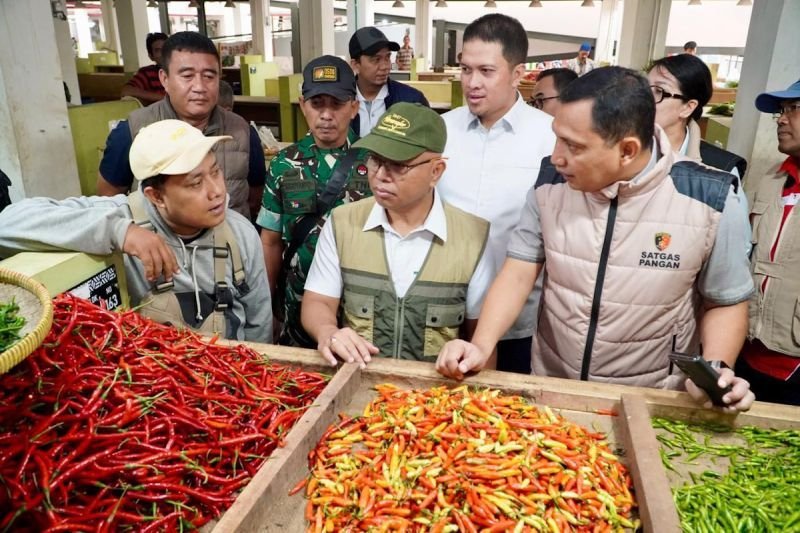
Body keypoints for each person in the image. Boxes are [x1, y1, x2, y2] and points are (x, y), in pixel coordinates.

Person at [437, 67, 755, 413]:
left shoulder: (711, 198)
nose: (557, 156)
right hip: (554, 391)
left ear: (627, 150)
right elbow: (519, 270)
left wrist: (715, 370)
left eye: (573, 146)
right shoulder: (550, 184)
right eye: (557, 136)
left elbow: (725, 300)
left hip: (650, 399)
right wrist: (482, 345)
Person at [0, 119, 271, 342]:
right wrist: (120, 232)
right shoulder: (122, 215)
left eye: (215, 172)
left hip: (234, 377)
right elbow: (8, 222)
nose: (217, 191)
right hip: (156, 381)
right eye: (195, 183)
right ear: (156, 196)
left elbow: (259, 322)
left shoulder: (240, 234)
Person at [301, 102, 493, 366]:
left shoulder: (471, 237)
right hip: (357, 388)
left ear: (436, 171)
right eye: (375, 161)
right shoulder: (343, 223)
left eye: (398, 166)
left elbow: (481, 338)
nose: (380, 175)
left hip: (434, 399)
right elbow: (318, 301)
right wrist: (328, 332)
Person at [438, 13, 555, 375]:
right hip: (443, 315)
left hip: (519, 322)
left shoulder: (550, 137)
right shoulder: (441, 130)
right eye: (465, 69)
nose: (472, 83)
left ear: (518, 73)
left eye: (486, 71)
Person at [258, 55, 370, 348]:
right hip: (295, 302)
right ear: (302, 105)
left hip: (358, 308)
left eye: (337, 104)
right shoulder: (284, 164)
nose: (326, 114)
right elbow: (270, 240)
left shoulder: (373, 163)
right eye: (317, 103)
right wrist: (267, 304)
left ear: (354, 107)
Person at [97, 31, 266, 222]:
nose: (199, 87)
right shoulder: (133, 130)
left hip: (229, 245)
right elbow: (108, 198)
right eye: (187, 76)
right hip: (161, 248)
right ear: (164, 79)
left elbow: (255, 197)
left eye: (209, 76)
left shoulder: (242, 131)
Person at [737, 80, 800, 405]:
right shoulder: (771, 181)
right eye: (781, 110)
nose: (781, 119)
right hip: (748, 358)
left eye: (794, 109)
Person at [647, 54, 747, 177]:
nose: (644, 97)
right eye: (644, 87)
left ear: (688, 107)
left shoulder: (720, 171)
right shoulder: (621, 151)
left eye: (659, 91)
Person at [349, 26, 429, 137]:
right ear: (355, 65)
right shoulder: (339, 103)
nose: (385, 66)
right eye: (376, 59)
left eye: (387, 58)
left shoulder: (412, 101)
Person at [120, 32, 168, 105]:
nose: (163, 53)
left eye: (166, 48)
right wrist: (165, 99)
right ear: (151, 56)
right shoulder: (147, 73)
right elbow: (126, 91)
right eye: (158, 50)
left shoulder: (183, 69)